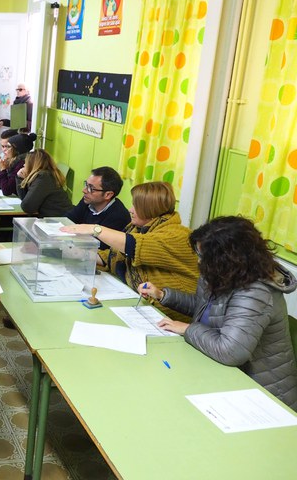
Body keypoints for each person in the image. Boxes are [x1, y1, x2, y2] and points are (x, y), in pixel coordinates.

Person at [138, 216, 297, 411]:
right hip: (223, 373)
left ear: (227, 258)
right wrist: (162, 295)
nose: (198, 261)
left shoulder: (257, 292)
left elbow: (230, 351)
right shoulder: (221, 273)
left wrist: (187, 329)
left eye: (202, 256)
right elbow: (204, 308)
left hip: (261, 395)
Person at [61, 181, 199, 321]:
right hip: (141, 306)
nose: (130, 210)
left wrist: (95, 229)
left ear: (150, 209)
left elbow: (134, 245)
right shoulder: (139, 228)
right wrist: (77, 253)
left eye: (135, 206)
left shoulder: (177, 235)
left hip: (169, 316)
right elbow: (114, 256)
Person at [65, 166, 131, 249]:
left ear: (108, 195)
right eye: (86, 184)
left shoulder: (119, 216)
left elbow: (97, 247)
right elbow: (67, 220)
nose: (84, 190)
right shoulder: (88, 200)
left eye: (91, 188)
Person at [17, 149, 74, 217]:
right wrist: (21, 178)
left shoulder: (43, 177)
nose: (24, 165)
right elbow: (25, 199)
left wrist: (22, 179)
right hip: (57, 217)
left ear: (32, 164)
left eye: (26, 163)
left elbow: (27, 207)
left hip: (58, 219)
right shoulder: (47, 174)